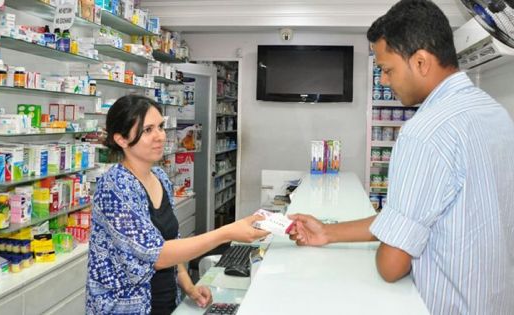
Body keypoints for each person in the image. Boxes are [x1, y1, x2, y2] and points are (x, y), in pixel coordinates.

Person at [289, 1, 514, 314]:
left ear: (421, 62)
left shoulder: (424, 132)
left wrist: (385, 253)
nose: (384, 80)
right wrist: (328, 232)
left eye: (387, 69)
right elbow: (417, 217)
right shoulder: (495, 114)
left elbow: (391, 266)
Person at [86, 95, 269, 315]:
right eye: (148, 130)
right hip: (126, 307)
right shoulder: (114, 187)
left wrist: (189, 286)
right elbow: (157, 254)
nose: (160, 136)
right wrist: (228, 232)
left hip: (165, 301)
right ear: (121, 140)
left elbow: (170, 242)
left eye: (161, 127)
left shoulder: (160, 177)